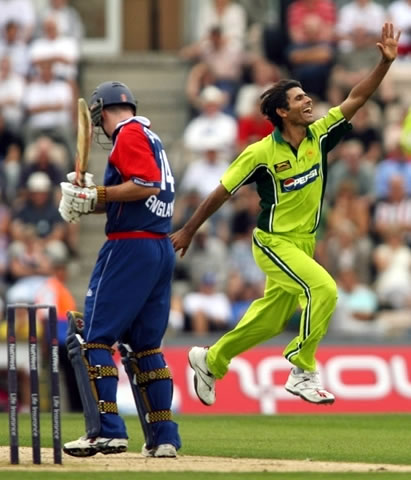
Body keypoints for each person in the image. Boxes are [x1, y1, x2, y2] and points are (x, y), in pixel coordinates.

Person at [171, 23, 401, 406]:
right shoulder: (261, 153)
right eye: (298, 99)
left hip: (303, 244)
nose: (308, 101)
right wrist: (189, 230)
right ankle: (302, 368)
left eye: (306, 96)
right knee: (324, 289)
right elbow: (221, 192)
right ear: (282, 111)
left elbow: (357, 97)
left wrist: (384, 64)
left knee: (272, 319)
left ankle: (210, 360)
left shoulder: (320, 135)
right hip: (273, 242)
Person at [58, 81, 181, 457]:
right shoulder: (149, 135)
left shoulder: (127, 135)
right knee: (145, 347)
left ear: (99, 112)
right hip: (159, 246)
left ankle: (105, 431)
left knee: (91, 337)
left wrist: (98, 195)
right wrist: (89, 202)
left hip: (130, 247)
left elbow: (144, 185)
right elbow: (141, 193)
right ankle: (163, 438)